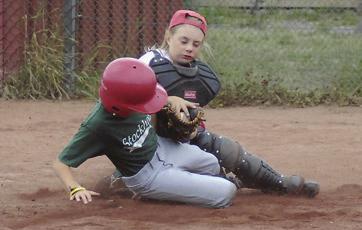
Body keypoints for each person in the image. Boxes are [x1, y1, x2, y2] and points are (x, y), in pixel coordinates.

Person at [100, 10, 319, 198]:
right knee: (168, 179)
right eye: (183, 41)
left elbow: (193, 115)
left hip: (180, 140)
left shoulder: (199, 73)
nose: (189, 48)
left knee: (229, 150)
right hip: (147, 142)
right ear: (168, 36)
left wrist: (193, 127)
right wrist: (167, 101)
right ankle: (121, 177)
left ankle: (278, 183)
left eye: (196, 44)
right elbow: (130, 103)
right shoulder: (149, 62)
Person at [53, 57, 237, 208]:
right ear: (121, 103)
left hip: (162, 149)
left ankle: (173, 186)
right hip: (146, 176)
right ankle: (156, 191)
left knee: (212, 164)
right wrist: (75, 188)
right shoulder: (97, 126)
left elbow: (157, 99)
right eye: (142, 102)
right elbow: (61, 163)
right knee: (225, 192)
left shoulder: (130, 93)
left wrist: (172, 101)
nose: (147, 106)